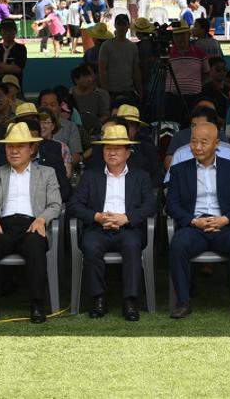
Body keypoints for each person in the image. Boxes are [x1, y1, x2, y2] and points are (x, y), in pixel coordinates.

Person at [0, 122, 63, 324]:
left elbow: (56, 204)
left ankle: (37, 303)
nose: (14, 151)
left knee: (34, 244)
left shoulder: (46, 173)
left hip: (33, 223)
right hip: (2, 225)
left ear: (31, 149)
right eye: (10, 147)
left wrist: (42, 219)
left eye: (20, 146)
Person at [68, 125, 156, 321]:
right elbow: (74, 205)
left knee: (132, 245)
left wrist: (126, 218)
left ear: (127, 153)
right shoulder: (91, 175)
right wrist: (97, 216)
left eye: (117, 148)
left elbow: (150, 205)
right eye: (108, 148)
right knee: (90, 246)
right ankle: (98, 298)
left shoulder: (140, 176)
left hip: (128, 227)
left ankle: (130, 300)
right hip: (99, 227)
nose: (112, 152)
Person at [166, 122, 230, 319]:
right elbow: (172, 205)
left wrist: (225, 219)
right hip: (194, 226)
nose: (197, 147)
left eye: (203, 142)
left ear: (217, 144)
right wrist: (192, 221)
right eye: (193, 142)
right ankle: (183, 301)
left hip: (223, 225)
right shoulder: (179, 170)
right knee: (178, 245)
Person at [164, 22, 209, 126]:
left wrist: (196, 84)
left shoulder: (200, 53)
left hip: (194, 98)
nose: (179, 38)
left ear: (188, 34)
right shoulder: (167, 54)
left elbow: (207, 73)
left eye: (182, 34)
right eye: (176, 35)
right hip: (173, 99)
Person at [98, 13, 141, 101]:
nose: (121, 27)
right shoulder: (106, 46)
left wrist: (140, 90)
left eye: (124, 24)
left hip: (129, 90)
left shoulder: (133, 47)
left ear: (128, 26)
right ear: (115, 25)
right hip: (111, 91)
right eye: (119, 24)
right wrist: (105, 92)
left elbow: (136, 70)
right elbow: (102, 70)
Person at [38, 89, 83, 165]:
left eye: (52, 105)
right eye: (45, 105)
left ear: (59, 107)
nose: (48, 108)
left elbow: (76, 155)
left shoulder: (70, 126)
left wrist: (63, 166)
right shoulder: (34, 125)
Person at [0, 20, 27, 84]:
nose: (8, 33)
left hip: (14, 86)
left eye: (10, 31)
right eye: (5, 31)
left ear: (15, 31)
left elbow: (17, 69)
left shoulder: (20, 49)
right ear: (0, 32)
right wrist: (8, 67)